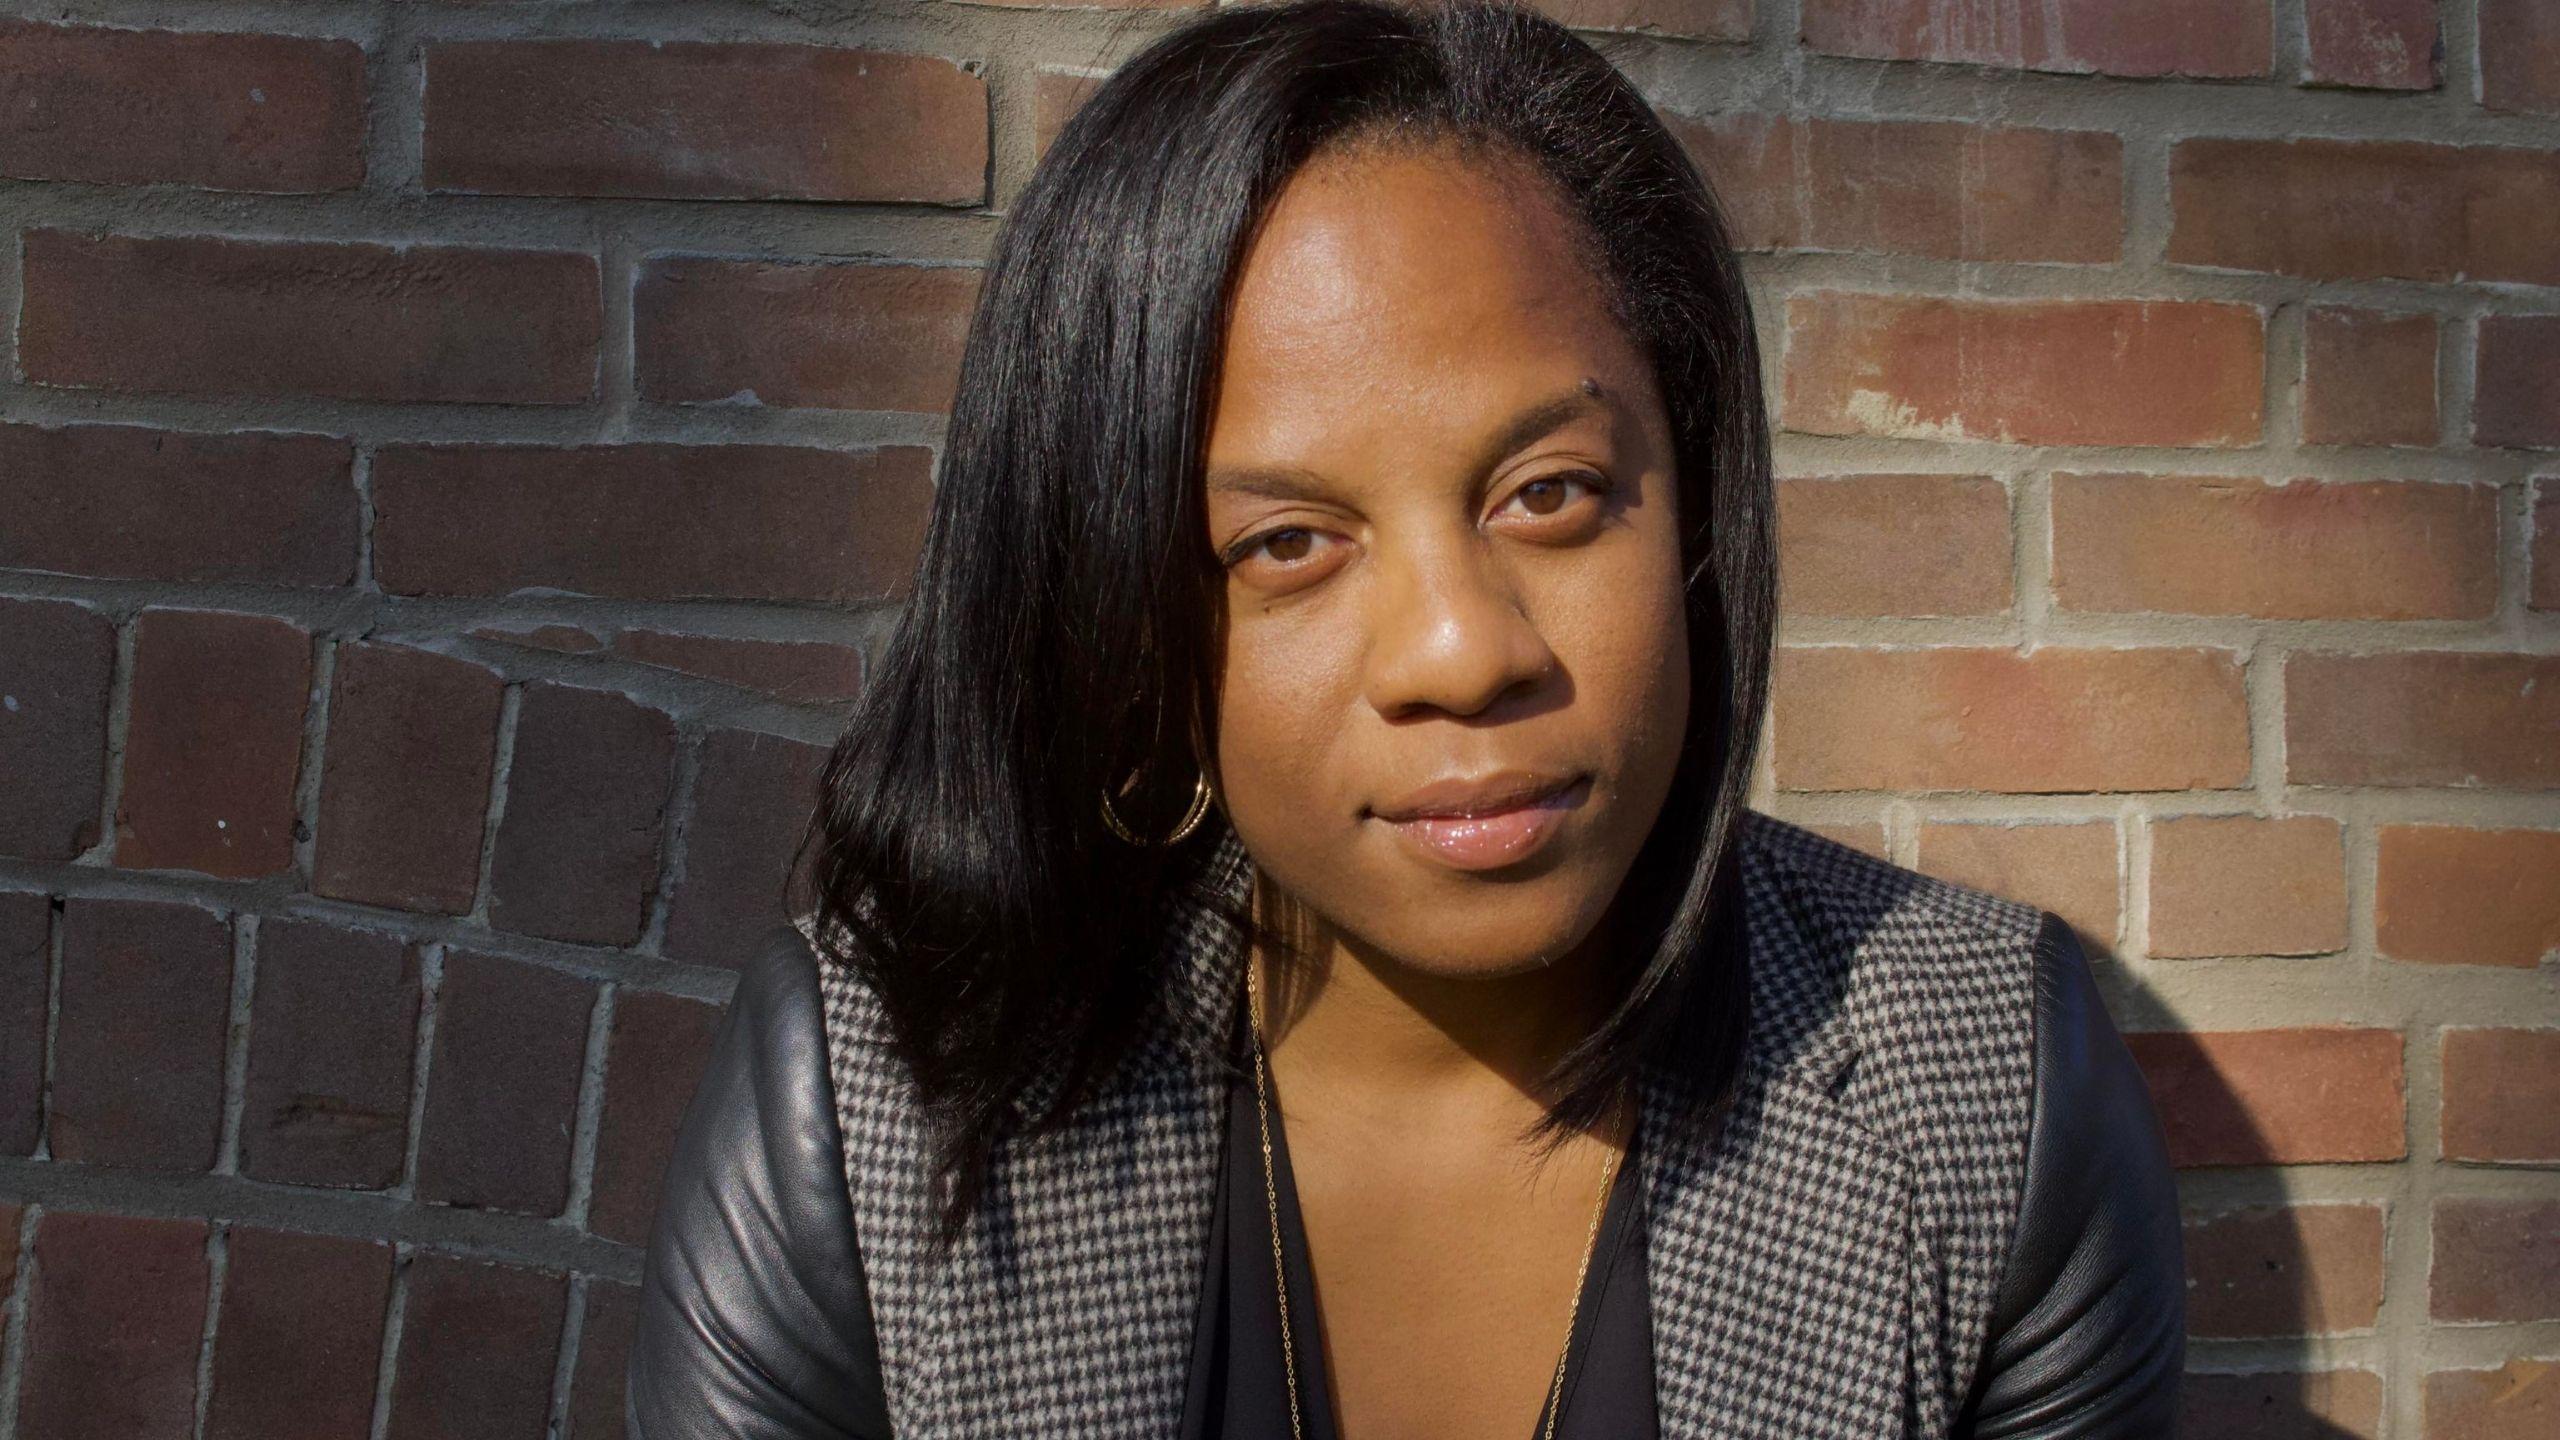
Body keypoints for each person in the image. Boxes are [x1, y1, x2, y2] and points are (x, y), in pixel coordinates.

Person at [627, 1, 2185, 1435]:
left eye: (1550, 493)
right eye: (1288, 543)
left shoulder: (1982, 1095)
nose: (1460, 650)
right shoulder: (869, 1108)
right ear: (1130, 618)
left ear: (1694, 505)